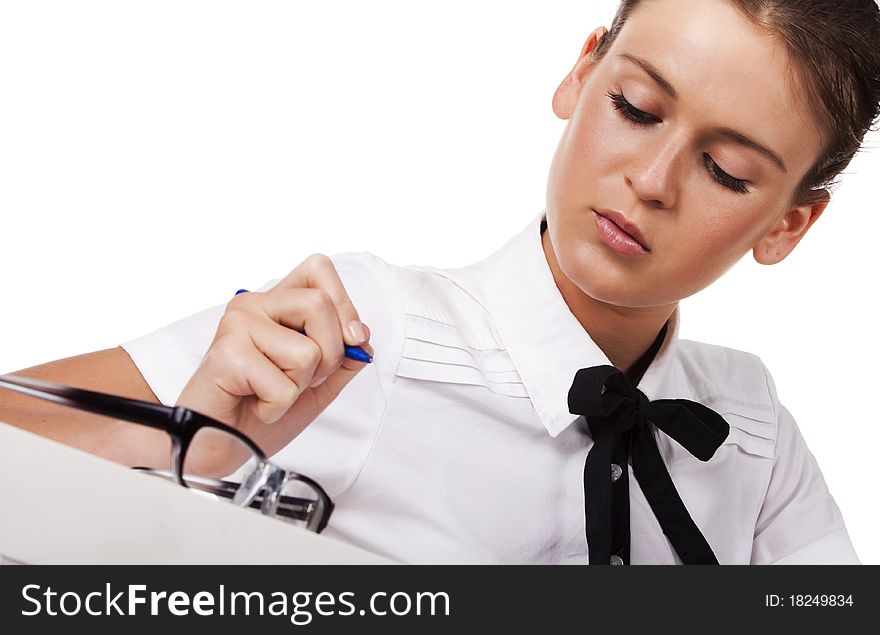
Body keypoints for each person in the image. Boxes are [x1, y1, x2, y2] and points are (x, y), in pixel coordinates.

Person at [1, 0, 877, 564]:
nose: (651, 180)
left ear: (789, 224)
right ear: (581, 73)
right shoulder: (356, 331)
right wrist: (186, 438)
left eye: (724, 169)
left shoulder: (752, 431)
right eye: (636, 108)